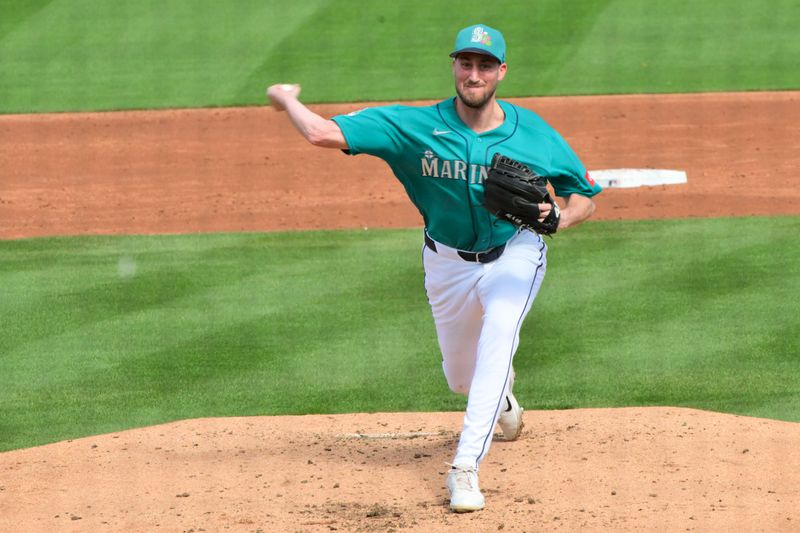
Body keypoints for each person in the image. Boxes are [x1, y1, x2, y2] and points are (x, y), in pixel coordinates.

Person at [266, 23, 602, 512]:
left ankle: (465, 467)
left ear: (501, 71)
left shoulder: (534, 133)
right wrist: (287, 98)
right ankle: (503, 404)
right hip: (446, 264)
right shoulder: (413, 127)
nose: (474, 73)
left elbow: (585, 195)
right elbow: (322, 133)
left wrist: (560, 216)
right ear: (454, 67)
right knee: (462, 380)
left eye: (485, 64)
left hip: (516, 253)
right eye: (466, 62)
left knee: (499, 336)